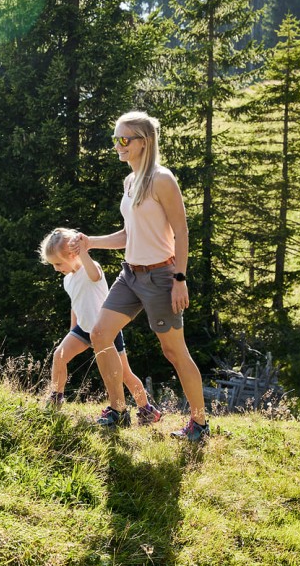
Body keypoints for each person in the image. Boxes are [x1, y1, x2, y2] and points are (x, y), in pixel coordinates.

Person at [85, 111, 209, 441]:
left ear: (144, 142)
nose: (117, 146)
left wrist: (179, 279)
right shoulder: (130, 181)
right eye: (115, 139)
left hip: (160, 277)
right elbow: (129, 234)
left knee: (174, 353)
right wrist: (90, 242)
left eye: (124, 140)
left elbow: (181, 232)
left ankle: (199, 424)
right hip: (130, 275)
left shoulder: (162, 180)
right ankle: (118, 410)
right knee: (99, 334)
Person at [39, 228, 162, 425]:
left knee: (124, 375)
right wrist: (73, 329)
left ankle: (147, 410)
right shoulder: (67, 280)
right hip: (83, 329)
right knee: (59, 355)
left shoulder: (91, 269)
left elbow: (95, 275)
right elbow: (75, 304)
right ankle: (56, 397)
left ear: (73, 254)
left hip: (106, 330)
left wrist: (83, 251)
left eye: (58, 263)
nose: (55, 268)